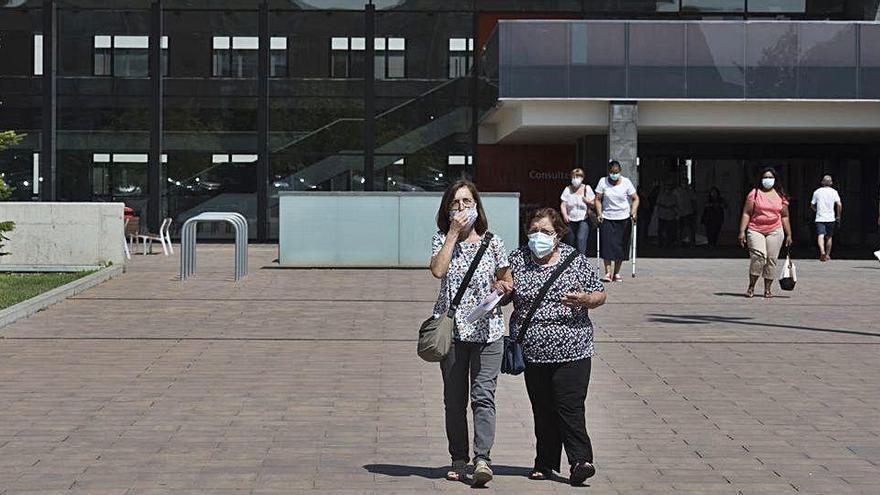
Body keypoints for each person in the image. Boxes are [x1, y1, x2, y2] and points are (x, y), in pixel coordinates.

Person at [506, 208, 606, 486]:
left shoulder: (576, 260)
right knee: (543, 408)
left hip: (573, 349)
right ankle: (545, 462)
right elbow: (504, 293)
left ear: (559, 235)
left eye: (546, 232)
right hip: (532, 350)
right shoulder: (517, 259)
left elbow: (600, 294)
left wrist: (586, 299)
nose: (539, 237)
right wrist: (501, 288)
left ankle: (580, 461)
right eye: (534, 231)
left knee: (570, 406)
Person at [429, 180, 512, 486]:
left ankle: (482, 459)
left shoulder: (494, 243)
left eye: (467, 201)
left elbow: (507, 280)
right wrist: (453, 233)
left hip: (488, 332)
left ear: (477, 206)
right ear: (448, 209)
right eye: (456, 202)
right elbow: (438, 270)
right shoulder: (441, 239)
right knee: (454, 399)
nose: (462, 208)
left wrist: (502, 288)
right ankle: (458, 457)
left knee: (483, 397)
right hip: (452, 333)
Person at [737, 167, 793, 299]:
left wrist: (789, 234)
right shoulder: (754, 193)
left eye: (770, 177)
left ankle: (767, 289)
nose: (768, 180)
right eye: (765, 177)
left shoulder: (780, 195)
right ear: (761, 179)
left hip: (775, 230)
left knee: (771, 259)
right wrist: (742, 231)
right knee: (759, 257)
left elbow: (785, 216)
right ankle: (751, 286)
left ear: (775, 179)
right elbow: (746, 213)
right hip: (756, 229)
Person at [594, 160, 640, 282]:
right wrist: (599, 213)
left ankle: (617, 273)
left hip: (623, 218)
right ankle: (608, 273)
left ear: (620, 172)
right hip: (607, 217)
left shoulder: (626, 182)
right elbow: (597, 199)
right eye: (612, 172)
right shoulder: (602, 182)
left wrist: (633, 211)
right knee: (607, 245)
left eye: (616, 172)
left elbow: (635, 198)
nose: (614, 175)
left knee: (621, 246)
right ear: (609, 172)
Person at [560, 168, 596, 255]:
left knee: (581, 239)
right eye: (574, 177)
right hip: (570, 219)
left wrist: (587, 201)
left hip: (583, 218)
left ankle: (581, 260)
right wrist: (565, 215)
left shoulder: (587, 188)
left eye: (578, 177)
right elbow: (563, 204)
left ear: (582, 178)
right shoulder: (567, 189)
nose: (575, 179)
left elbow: (594, 204)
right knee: (570, 241)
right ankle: (570, 262)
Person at [810, 175, 842, 262]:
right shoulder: (834, 192)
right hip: (830, 218)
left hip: (820, 217)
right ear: (831, 183)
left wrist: (816, 210)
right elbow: (839, 204)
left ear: (822, 182)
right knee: (829, 237)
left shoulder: (817, 192)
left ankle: (822, 252)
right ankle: (827, 255)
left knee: (820, 235)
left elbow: (812, 205)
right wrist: (838, 215)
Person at [655, 182, 679, 248]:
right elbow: (658, 204)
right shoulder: (661, 195)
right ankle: (661, 243)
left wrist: (675, 212)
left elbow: (676, 205)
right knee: (661, 230)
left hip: (671, 216)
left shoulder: (673, 196)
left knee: (670, 231)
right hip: (662, 215)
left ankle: (669, 243)